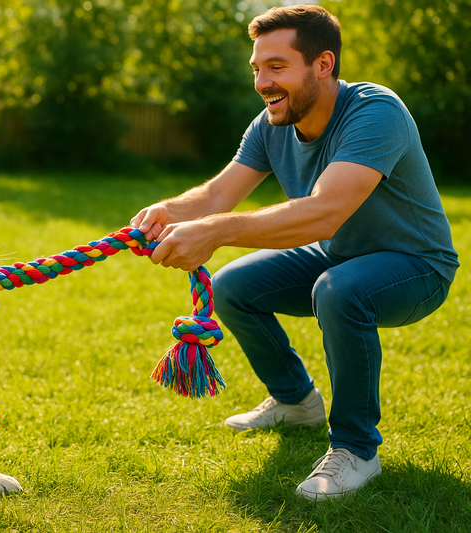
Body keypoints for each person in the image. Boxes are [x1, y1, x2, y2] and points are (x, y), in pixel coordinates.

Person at [130, 5, 458, 501]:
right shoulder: (272, 123)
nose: (262, 82)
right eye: (257, 68)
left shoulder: (376, 111)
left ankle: (356, 450)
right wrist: (165, 209)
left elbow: (325, 212)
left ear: (322, 64)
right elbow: (218, 195)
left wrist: (214, 232)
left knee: (340, 290)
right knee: (233, 286)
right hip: (338, 255)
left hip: (415, 267)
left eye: (277, 67)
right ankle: (296, 400)